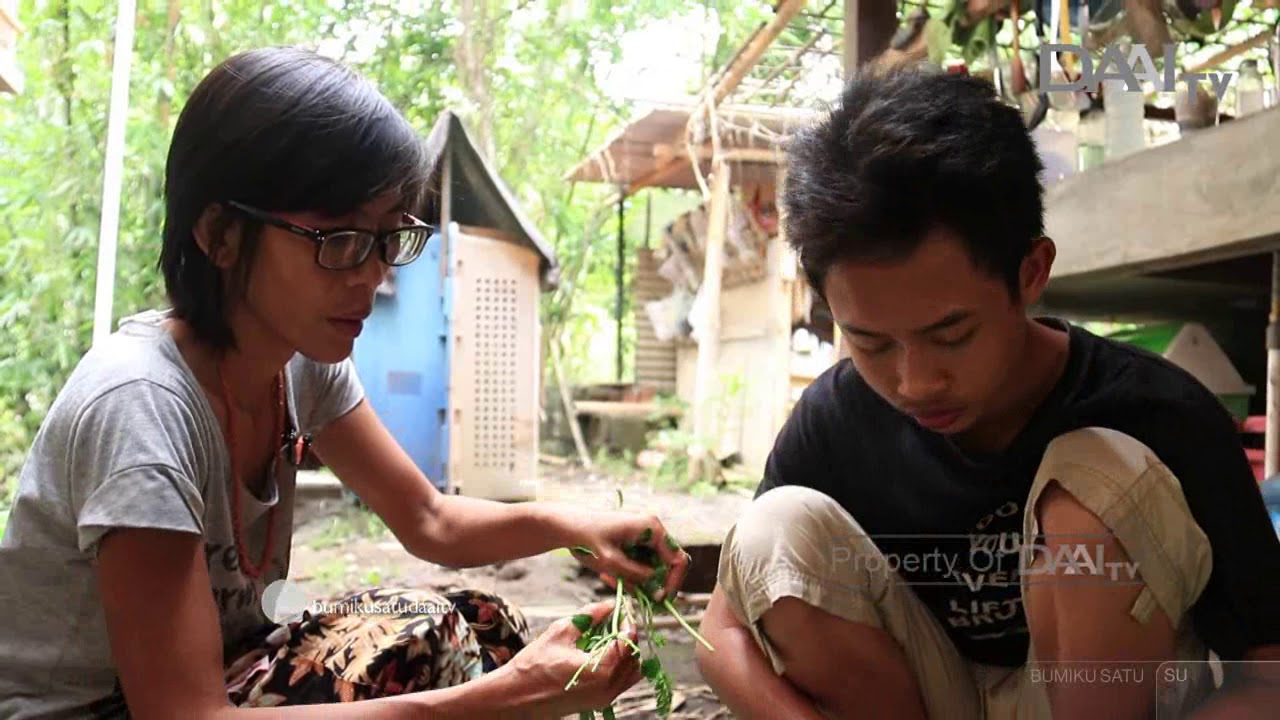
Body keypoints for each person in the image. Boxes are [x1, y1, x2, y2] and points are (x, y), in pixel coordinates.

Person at [0, 47, 688, 719]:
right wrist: (509, 698)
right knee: (469, 670)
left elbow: (430, 520)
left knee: (464, 627)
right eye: (338, 240)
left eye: (388, 238)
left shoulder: (302, 365)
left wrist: (579, 526)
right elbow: (183, 714)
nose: (372, 274)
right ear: (221, 234)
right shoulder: (142, 409)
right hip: (94, 708)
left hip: (218, 676)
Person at [695, 67, 1280, 719]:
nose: (915, 383)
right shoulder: (838, 418)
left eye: (952, 335)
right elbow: (721, 632)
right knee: (772, 529)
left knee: (1099, 475)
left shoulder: (1159, 411)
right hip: (926, 699)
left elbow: (1269, 673)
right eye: (872, 343)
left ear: (1031, 272)